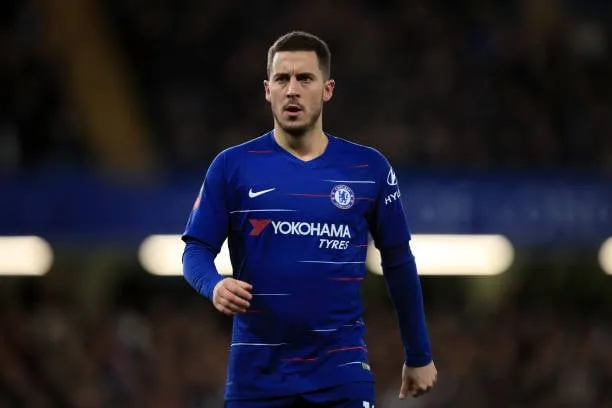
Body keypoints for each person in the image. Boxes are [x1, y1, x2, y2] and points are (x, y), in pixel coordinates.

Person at [181, 30, 437, 408]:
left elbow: (399, 262)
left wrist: (419, 354)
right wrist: (214, 284)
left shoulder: (368, 168)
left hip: (341, 373)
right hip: (257, 376)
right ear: (267, 90)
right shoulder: (232, 166)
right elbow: (195, 251)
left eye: (305, 78)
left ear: (327, 89)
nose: (292, 90)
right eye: (282, 79)